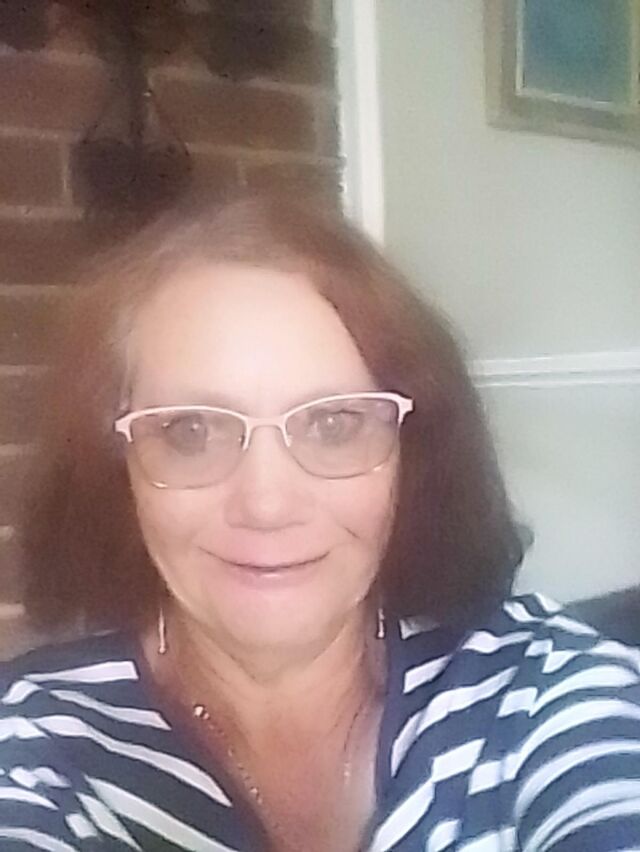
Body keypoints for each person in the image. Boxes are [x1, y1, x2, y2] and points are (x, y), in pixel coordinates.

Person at [1, 194, 639, 852]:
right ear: (117, 466)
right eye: (191, 431)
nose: (267, 504)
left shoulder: (538, 689)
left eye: (335, 424)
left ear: (410, 454)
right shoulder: (36, 744)